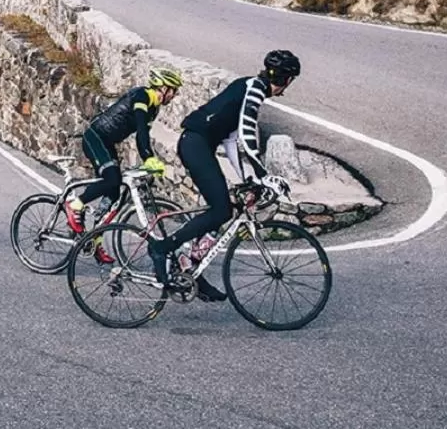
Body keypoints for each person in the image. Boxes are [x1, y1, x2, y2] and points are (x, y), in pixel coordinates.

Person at [148, 49, 302, 302]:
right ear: (286, 79)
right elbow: (247, 133)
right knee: (221, 210)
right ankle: (163, 247)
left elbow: (232, 141)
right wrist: (263, 175)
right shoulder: (254, 88)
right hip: (194, 143)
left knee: (224, 207)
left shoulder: (249, 87)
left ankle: (191, 267)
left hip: (198, 144)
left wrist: (248, 179)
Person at [63, 66, 183, 236]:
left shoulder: (154, 109)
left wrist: (149, 158)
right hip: (95, 137)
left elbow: (144, 137)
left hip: (108, 142)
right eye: (173, 90)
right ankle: (75, 204)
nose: (174, 95)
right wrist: (149, 158)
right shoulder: (142, 96)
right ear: (163, 88)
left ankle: (93, 237)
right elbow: (141, 130)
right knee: (113, 179)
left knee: (113, 194)